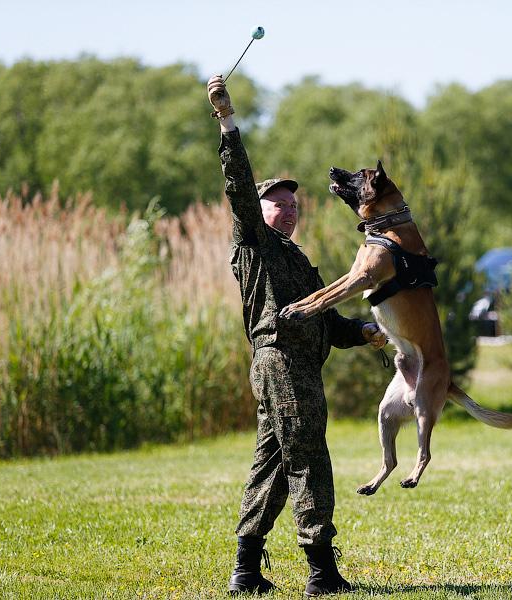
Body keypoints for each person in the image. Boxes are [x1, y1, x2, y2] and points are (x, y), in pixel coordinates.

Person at [207, 74, 385, 597]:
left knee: (275, 464)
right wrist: (227, 121)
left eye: (294, 203)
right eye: (278, 203)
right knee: (309, 457)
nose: (289, 209)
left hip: (298, 366)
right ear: (259, 213)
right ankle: (321, 571)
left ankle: (244, 568)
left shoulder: (296, 258)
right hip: (279, 362)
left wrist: (365, 332)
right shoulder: (254, 243)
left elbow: (324, 320)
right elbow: (238, 183)